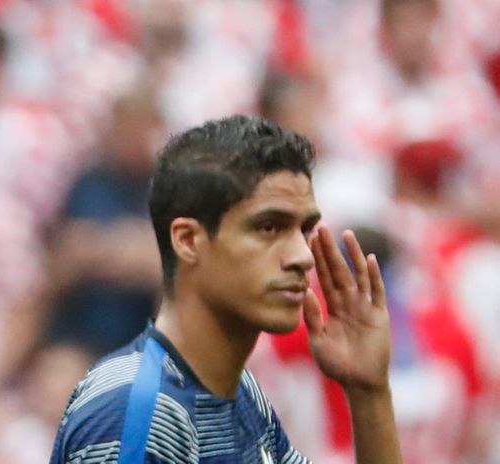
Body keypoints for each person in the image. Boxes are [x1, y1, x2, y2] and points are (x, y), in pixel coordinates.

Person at [49, 115, 402, 463]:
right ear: (188, 241)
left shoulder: (243, 398)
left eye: (304, 230)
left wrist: (369, 391)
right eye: (268, 227)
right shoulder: (136, 409)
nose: (302, 257)